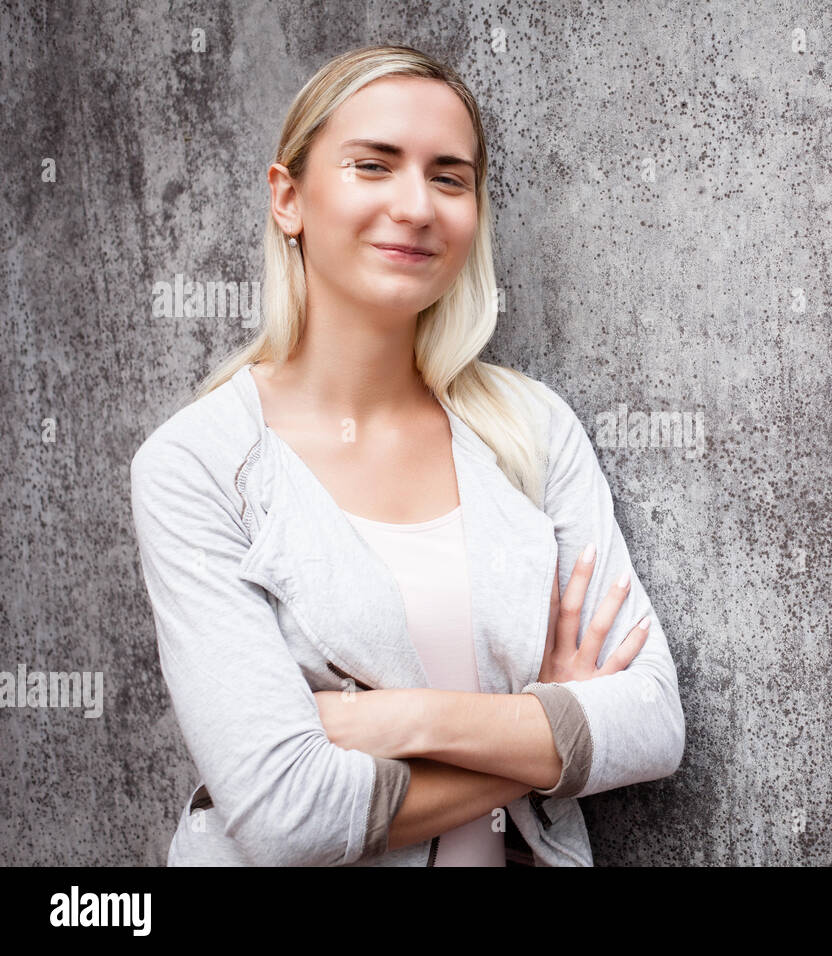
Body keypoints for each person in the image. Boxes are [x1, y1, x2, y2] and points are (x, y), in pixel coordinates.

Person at [129, 44, 686, 867]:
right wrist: (547, 722)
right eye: (374, 165)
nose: (417, 206)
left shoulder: (530, 429)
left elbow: (651, 722)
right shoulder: (195, 467)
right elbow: (288, 815)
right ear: (289, 199)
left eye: (450, 177)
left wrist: (402, 720)